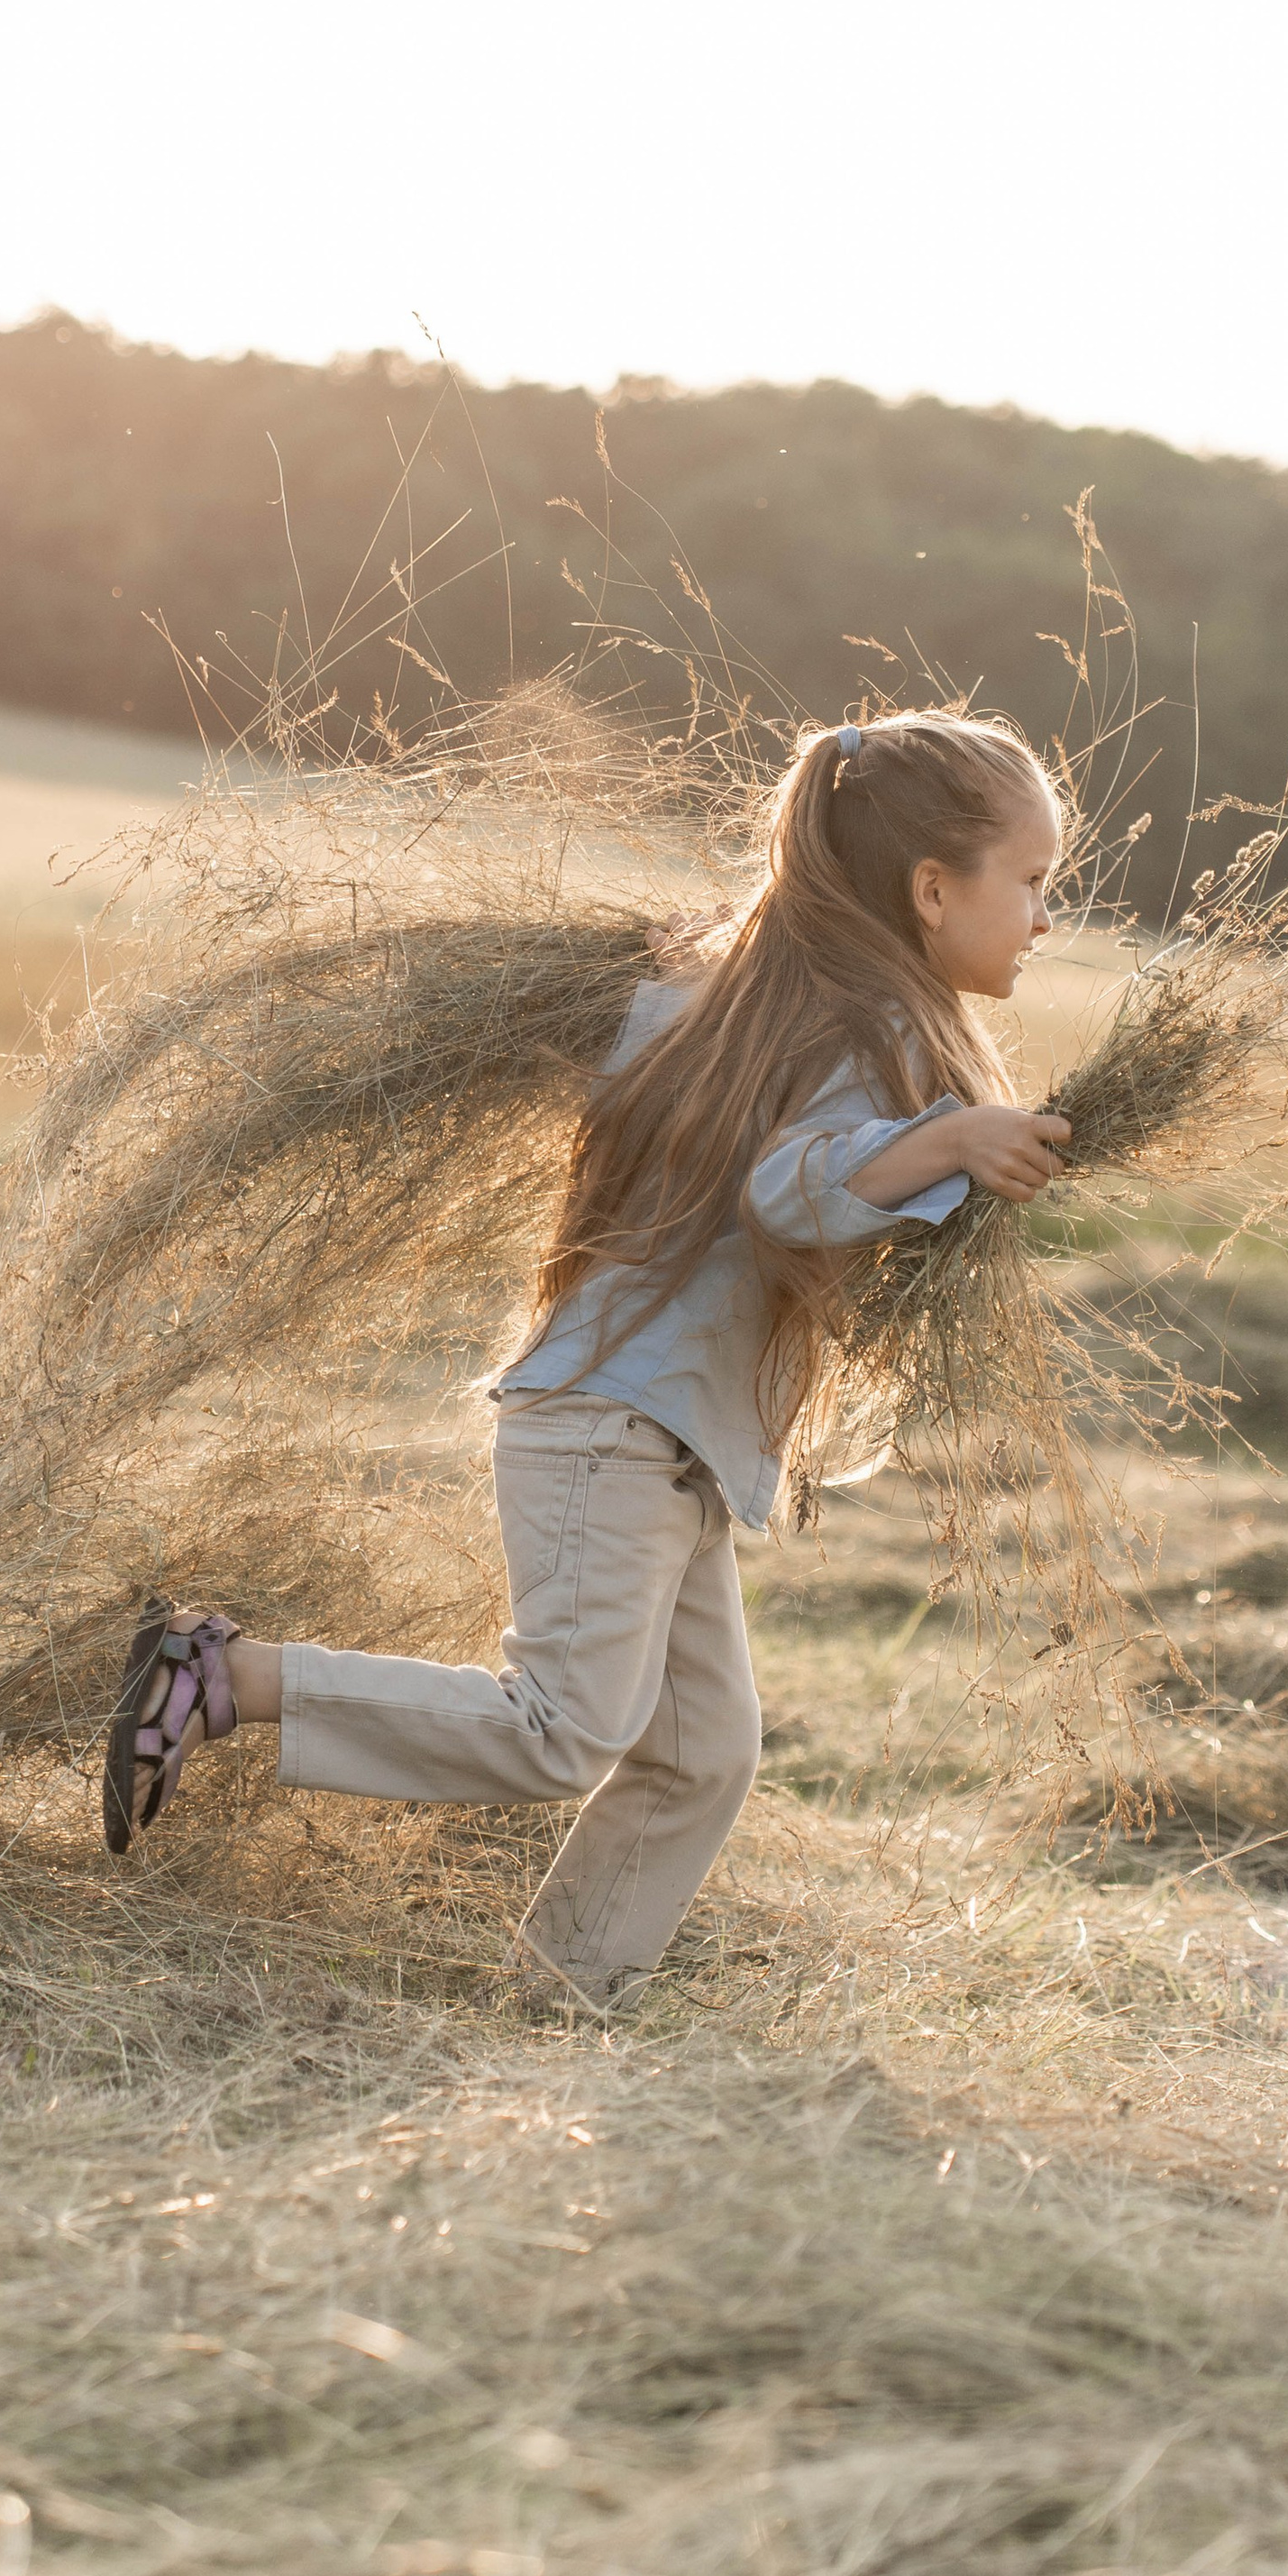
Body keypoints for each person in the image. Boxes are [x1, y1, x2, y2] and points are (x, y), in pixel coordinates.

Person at [103, 710, 1073, 2010]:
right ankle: (213, 1675)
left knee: (699, 1753)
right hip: (611, 1427)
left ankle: (565, 1998)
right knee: (560, 1732)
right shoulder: (849, 1030)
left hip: (658, 1438)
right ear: (933, 888)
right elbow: (786, 1190)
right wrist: (952, 1141)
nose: (1048, 918)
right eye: (1035, 881)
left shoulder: (765, 1002)